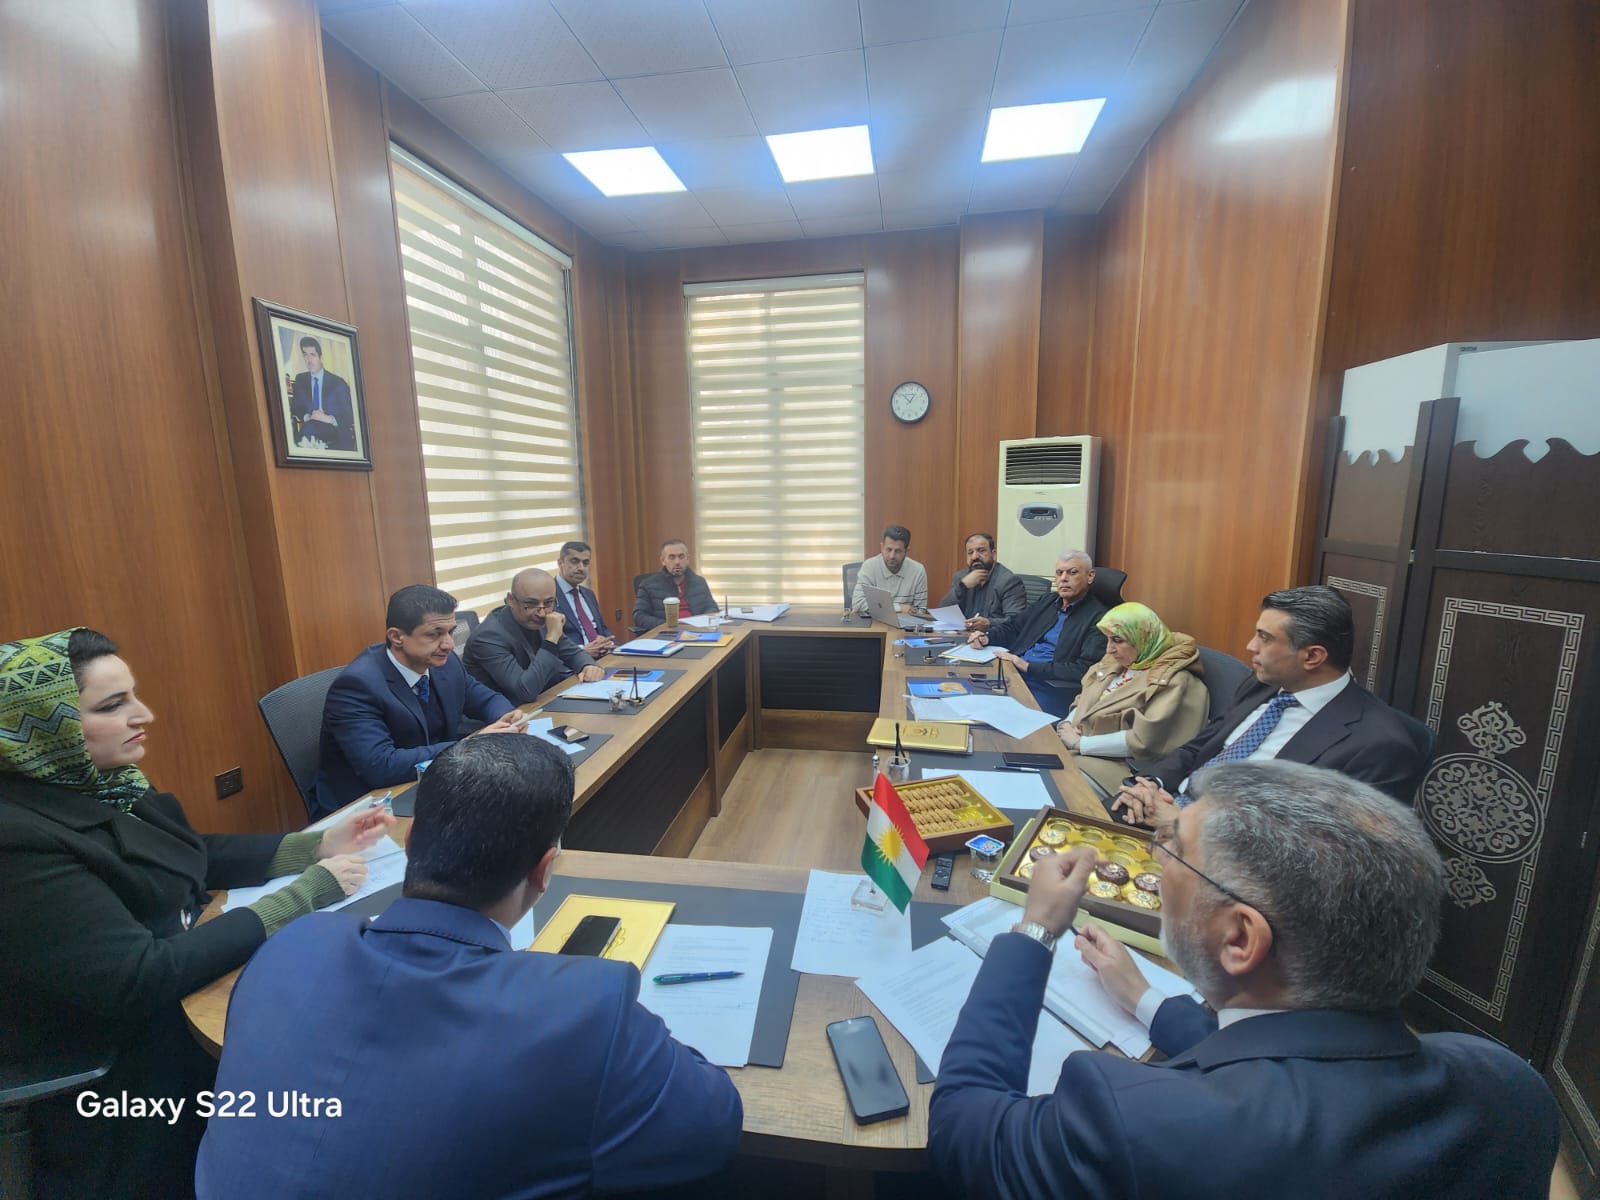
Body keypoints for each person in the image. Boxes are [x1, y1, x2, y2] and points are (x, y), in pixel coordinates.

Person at [930, 761, 1560, 1200]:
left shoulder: (1140, 1120)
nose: (1154, 856)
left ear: (1239, 939)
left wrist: (1036, 930)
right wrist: (1146, 999)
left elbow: (963, 1127)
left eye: (1173, 849)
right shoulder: (1509, 1085)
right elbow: (1299, 1059)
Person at [195, 735, 744, 1199]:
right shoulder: (584, 1009)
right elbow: (712, 1125)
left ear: (410, 841)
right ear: (544, 870)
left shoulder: (291, 945)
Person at [0, 628, 393, 1199]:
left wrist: (312, 847)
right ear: (39, 728)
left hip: (180, 979)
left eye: (133, 695)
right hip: (122, 1064)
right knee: (322, 1050)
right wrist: (303, 895)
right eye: (113, 706)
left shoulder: (100, 780)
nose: (145, 715)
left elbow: (186, 851)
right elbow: (137, 978)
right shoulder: (16, 843)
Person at [1112, 584, 1431, 827]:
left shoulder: (1379, 746)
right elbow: (1200, 748)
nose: (1250, 646)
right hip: (1163, 807)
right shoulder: (1262, 685)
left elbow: (1318, 849)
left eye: (1265, 638)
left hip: (1227, 860)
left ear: (1312, 656)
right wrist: (1150, 785)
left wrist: (1185, 824)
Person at [314, 584, 526, 815]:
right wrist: (472, 745)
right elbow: (381, 766)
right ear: (397, 637)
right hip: (372, 805)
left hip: (434, 782)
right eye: (434, 634)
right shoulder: (357, 686)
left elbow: (485, 699)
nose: (449, 644)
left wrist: (508, 717)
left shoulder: (445, 663)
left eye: (451, 632)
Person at [1056, 601, 1209, 795]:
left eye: (1118, 640)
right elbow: (1085, 697)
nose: (1109, 649)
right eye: (1108, 640)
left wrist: (1080, 744)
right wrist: (1067, 725)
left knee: (1057, 788)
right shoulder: (1118, 662)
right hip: (1078, 749)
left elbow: (1146, 740)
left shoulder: (1176, 682)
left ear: (1142, 638)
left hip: (1121, 769)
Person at [968, 551, 1107, 717]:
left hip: (1049, 687)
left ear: (1090, 576)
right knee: (970, 698)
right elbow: (1014, 626)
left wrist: (1027, 666)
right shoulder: (1048, 601)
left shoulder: (1099, 618)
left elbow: (1084, 669)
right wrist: (987, 637)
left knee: (1002, 716)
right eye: (1059, 573)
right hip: (1015, 674)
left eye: (1072, 572)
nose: (1063, 579)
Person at [463, 568, 604, 704]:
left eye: (548, 603)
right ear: (511, 600)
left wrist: (588, 666)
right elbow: (525, 691)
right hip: (508, 713)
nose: (542, 613)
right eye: (531, 604)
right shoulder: (488, 637)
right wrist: (551, 639)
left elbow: (574, 653)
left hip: (545, 700)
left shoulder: (542, 618)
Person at [940, 532, 1026, 631]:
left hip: (993, 636)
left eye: (981, 551)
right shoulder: (962, 577)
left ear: (993, 554)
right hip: (964, 635)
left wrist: (989, 623)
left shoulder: (1009, 581)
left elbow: (1017, 621)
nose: (974, 557)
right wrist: (963, 586)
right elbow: (944, 610)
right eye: (970, 552)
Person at [632, 538, 717, 629]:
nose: (677, 562)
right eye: (672, 557)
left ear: (688, 559)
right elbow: (639, 616)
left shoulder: (699, 582)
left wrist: (703, 621)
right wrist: (667, 625)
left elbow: (712, 608)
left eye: (681, 557)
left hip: (698, 631)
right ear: (663, 561)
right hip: (666, 632)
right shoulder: (648, 585)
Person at [288, 335, 355, 451]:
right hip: (309, 429)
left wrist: (329, 418)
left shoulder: (338, 383)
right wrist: (307, 416)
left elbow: (350, 415)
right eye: (305, 355)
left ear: (321, 357)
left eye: (312, 355)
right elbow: (295, 407)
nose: (309, 360)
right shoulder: (300, 379)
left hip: (334, 432)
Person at [553, 539, 615, 658]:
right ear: (560, 563)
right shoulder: (548, 596)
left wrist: (607, 642)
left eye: (585, 563)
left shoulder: (588, 594)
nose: (581, 568)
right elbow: (549, 642)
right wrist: (582, 651)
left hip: (603, 656)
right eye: (575, 561)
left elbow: (603, 629)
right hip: (573, 661)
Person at [851, 524, 929, 615]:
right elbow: (857, 603)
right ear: (882, 547)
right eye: (888, 549)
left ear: (906, 551)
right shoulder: (869, 566)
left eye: (898, 551)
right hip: (876, 620)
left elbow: (921, 610)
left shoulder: (918, 570)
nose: (892, 556)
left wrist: (882, 608)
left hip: (905, 622)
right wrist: (898, 608)